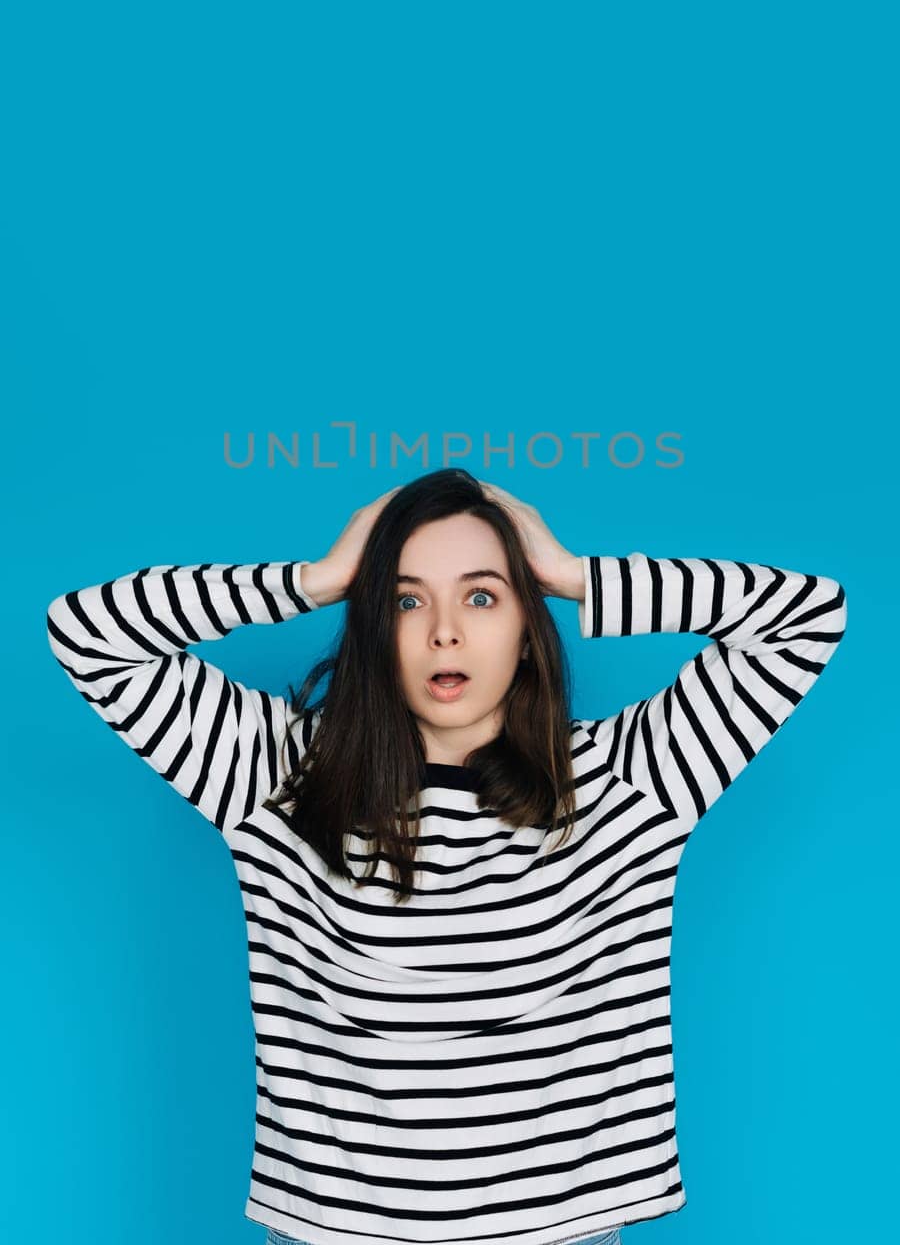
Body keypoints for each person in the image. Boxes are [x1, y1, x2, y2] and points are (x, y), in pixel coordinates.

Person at [45, 469, 847, 1245]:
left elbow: (806, 618)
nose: (444, 631)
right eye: (404, 599)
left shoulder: (629, 779)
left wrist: (573, 575)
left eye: (481, 595)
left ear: (530, 628)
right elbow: (88, 631)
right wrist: (315, 580)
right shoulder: (276, 774)